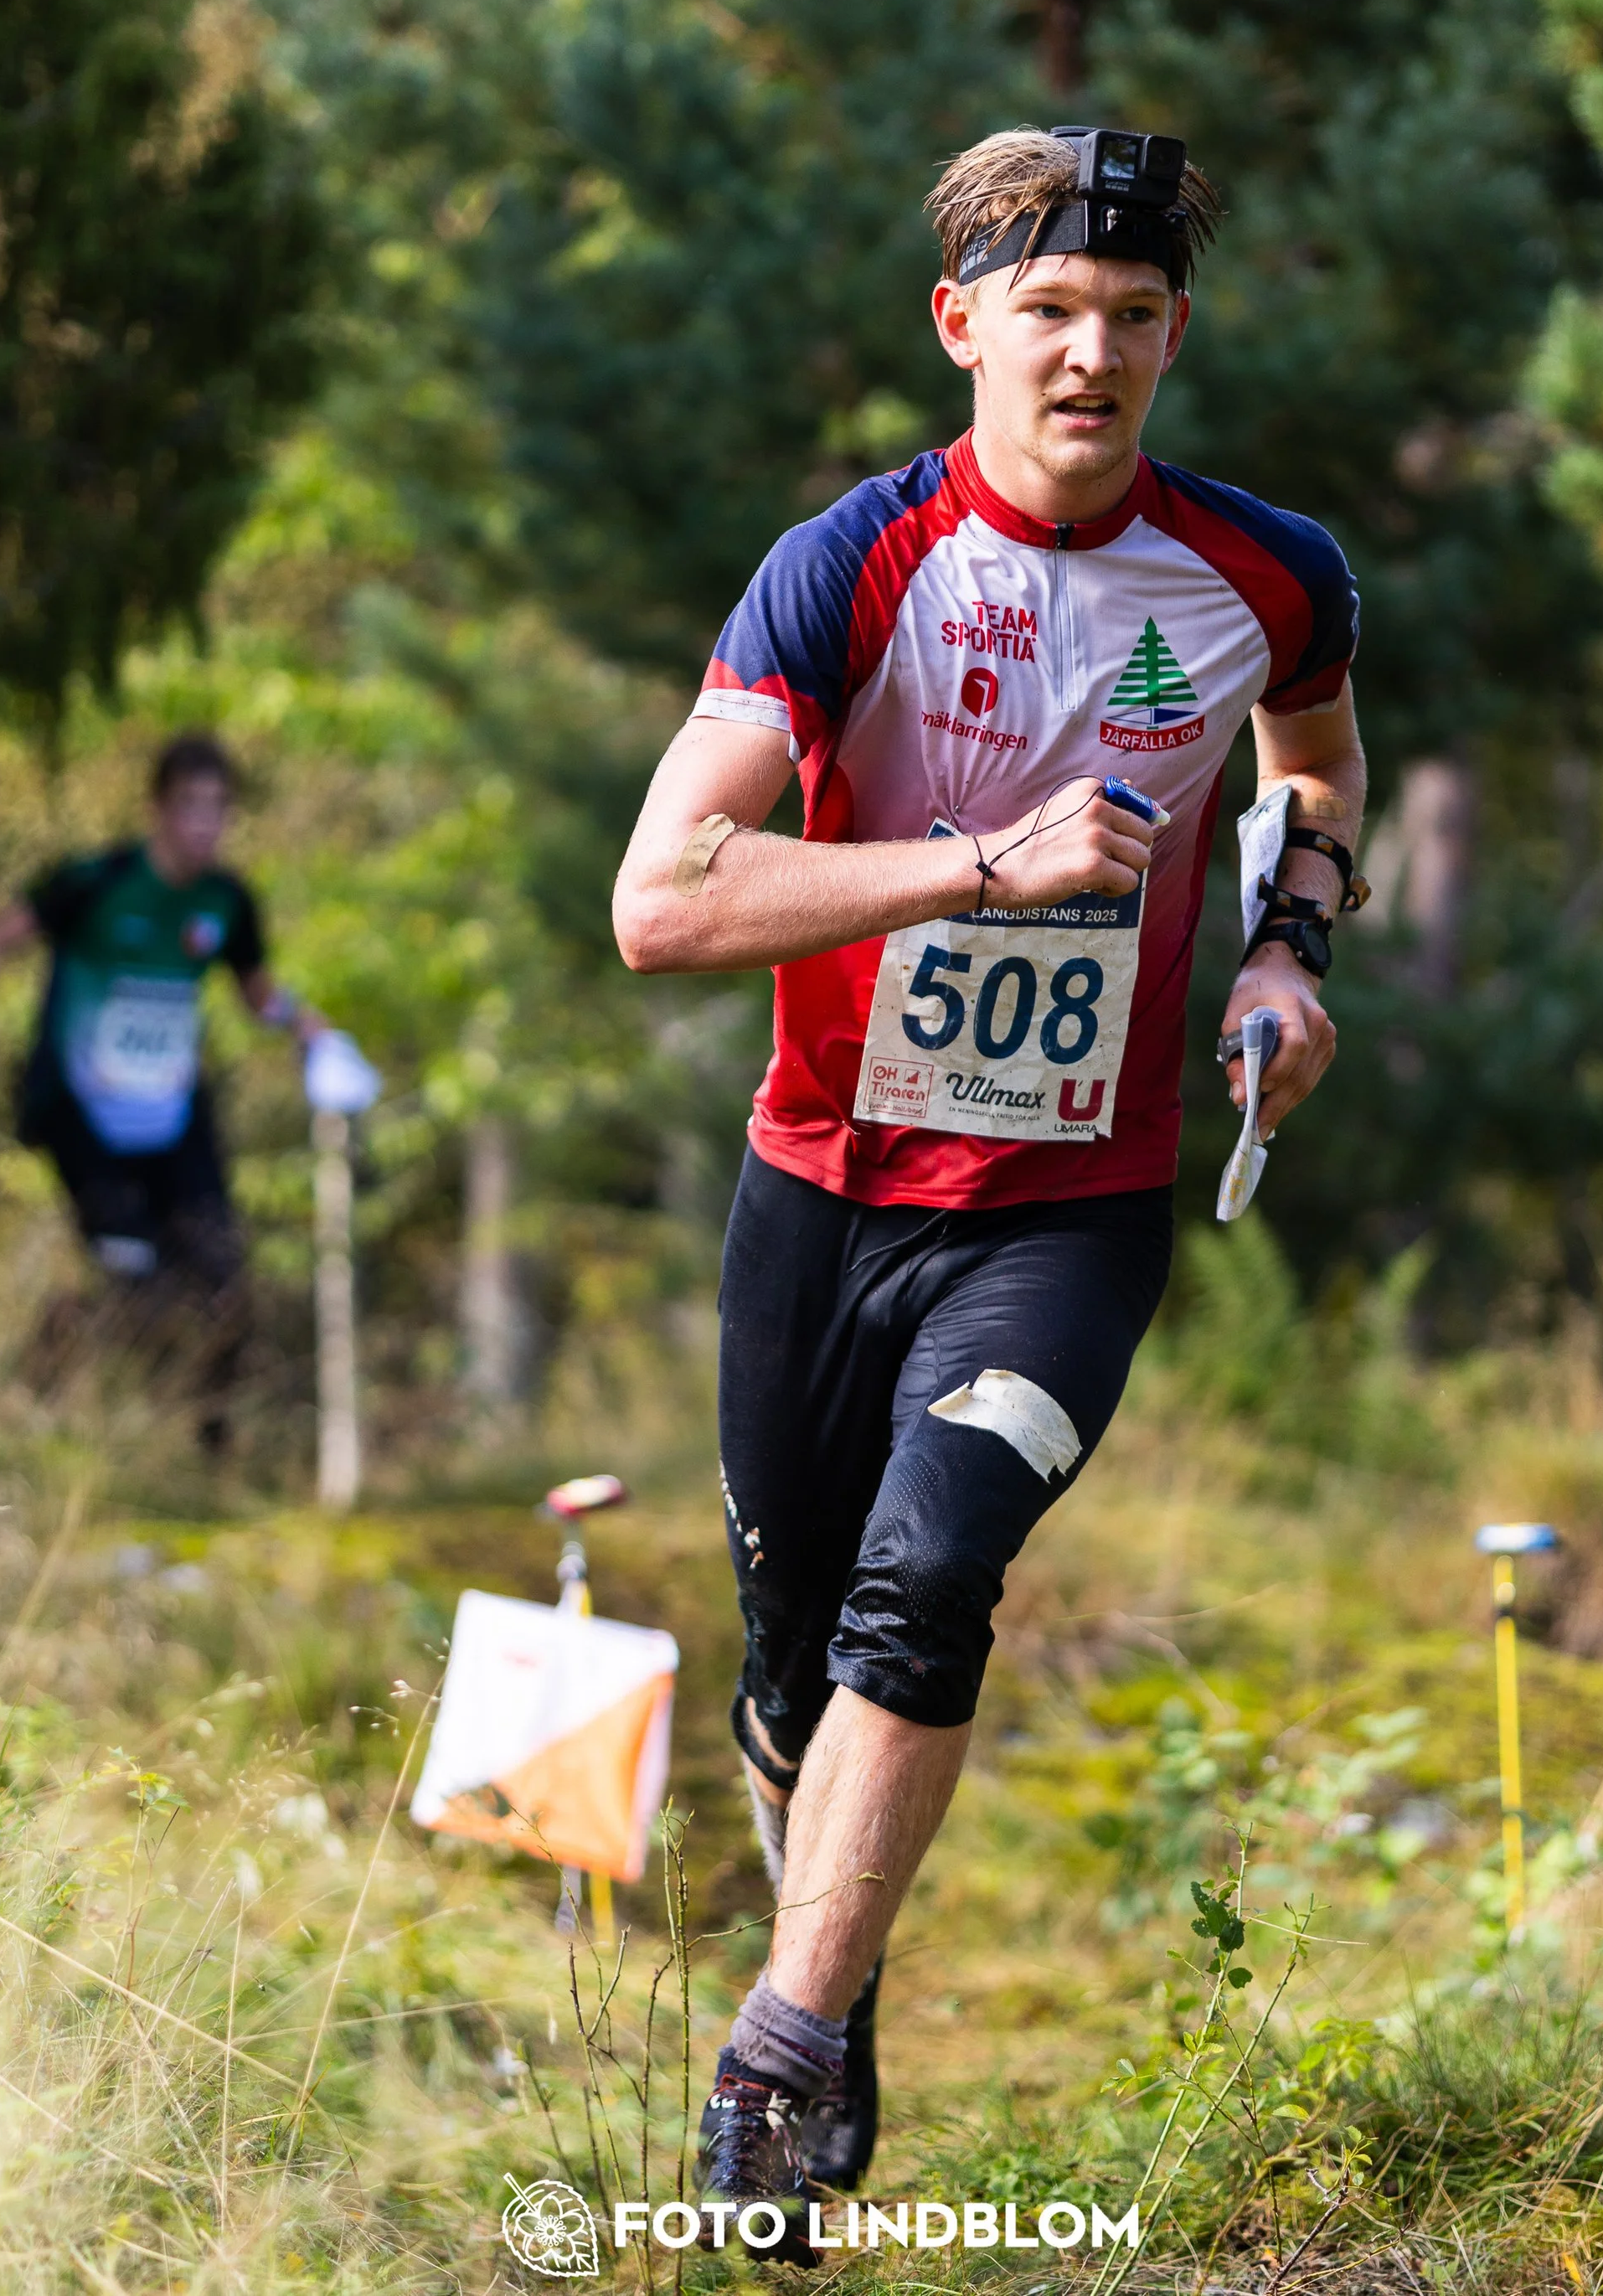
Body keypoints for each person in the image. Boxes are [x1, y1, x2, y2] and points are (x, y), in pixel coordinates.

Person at [611, 124, 1367, 2246]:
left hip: (1067, 1210)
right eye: (1045, 312)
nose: (1089, 355)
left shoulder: (1266, 572)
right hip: (824, 1189)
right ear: (962, 327)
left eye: (1132, 318)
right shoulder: (845, 566)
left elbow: (1311, 759)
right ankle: (833, 1989)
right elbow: (658, 902)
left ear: (1176, 340)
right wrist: (979, 861)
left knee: (927, 1583)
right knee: (788, 1668)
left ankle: (769, 2058)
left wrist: (1292, 940)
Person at [0, 734, 323, 1406]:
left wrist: (307, 1029)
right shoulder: (98, 882)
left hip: (173, 1111)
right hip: (83, 1109)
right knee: (135, 1278)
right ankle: (45, 1366)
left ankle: (213, 1453)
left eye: (218, 809)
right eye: (191, 808)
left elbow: (258, 993)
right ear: (157, 809)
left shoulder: (226, 901)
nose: (205, 825)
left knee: (221, 1279)